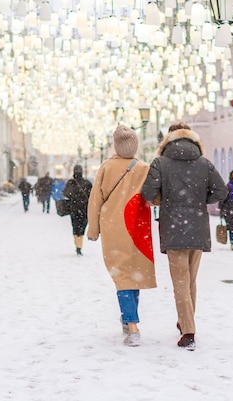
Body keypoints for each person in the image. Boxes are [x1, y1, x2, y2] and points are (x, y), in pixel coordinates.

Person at [141, 122, 228, 351]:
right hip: (198, 226)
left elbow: (148, 193)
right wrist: (199, 200)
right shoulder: (204, 163)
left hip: (173, 227)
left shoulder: (160, 162)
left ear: (168, 140)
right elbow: (221, 191)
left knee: (180, 281)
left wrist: (165, 199)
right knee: (190, 280)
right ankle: (185, 320)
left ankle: (188, 330)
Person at [87, 126, 156, 347]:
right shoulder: (144, 168)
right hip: (138, 227)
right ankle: (130, 319)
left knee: (122, 275)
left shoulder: (106, 167)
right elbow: (154, 197)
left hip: (113, 227)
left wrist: (93, 229)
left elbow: (95, 201)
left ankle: (132, 324)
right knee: (133, 273)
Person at [62, 165, 92, 256]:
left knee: (75, 226)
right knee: (82, 227)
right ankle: (79, 246)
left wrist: (73, 197)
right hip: (85, 209)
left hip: (74, 208)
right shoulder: (87, 183)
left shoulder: (71, 183)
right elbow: (93, 195)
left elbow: (65, 193)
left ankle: (77, 244)